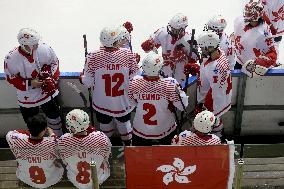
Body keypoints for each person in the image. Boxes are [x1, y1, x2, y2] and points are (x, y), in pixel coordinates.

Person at [80, 26, 139, 146]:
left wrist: (81, 77)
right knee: (125, 126)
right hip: (122, 103)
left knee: (105, 127)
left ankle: (107, 149)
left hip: (102, 103)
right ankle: (127, 148)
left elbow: (88, 83)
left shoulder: (93, 56)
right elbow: (135, 79)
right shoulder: (128, 54)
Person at [4, 28, 63, 136]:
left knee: (55, 117)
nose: (37, 45)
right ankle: (37, 147)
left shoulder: (44, 49)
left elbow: (55, 63)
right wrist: (30, 83)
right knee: (32, 125)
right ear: (26, 45)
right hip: (27, 96)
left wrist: (52, 79)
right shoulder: (11, 58)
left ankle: (58, 140)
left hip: (46, 91)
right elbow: (10, 78)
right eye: (34, 44)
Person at [128, 52, 188, 146]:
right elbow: (183, 105)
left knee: (139, 158)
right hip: (165, 129)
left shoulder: (135, 82)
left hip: (141, 130)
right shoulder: (169, 84)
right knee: (169, 158)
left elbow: (131, 104)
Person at [191, 31, 232, 137]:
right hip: (216, 99)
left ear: (209, 48)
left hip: (215, 103)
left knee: (210, 122)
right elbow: (209, 74)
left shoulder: (217, 67)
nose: (201, 50)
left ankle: (217, 138)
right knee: (215, 120)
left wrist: (204, 107)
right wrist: (198, 69)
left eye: (203, 48)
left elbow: (215, 92)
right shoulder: (218, 53)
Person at [6, 114, 63, 188]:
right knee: (55, 161)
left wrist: (29, 132)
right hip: (50, 179)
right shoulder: (51, 143)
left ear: (29, 128)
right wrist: (51, 133)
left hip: (25, 178)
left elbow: (11, 133)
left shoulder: (16, 139)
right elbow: (55, 140)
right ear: (44, 129)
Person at [58, 109, 111, 188]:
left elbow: (65, 162)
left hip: (76, 180)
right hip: (99, 178)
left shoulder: (63, 140)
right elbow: (107, 156)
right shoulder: (100, 137)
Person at [141, 13, 198, 83]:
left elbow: (193, 62)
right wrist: (147, 45)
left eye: (175, 30)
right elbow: (146, 48)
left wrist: (184, 56)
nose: (172, 31)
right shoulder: (163, 33)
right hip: (162, 74)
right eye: (171, 28)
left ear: (183, 29)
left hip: (180, 78)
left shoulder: (190, 41)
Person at [234, 0, 278, 77]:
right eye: (246, 13)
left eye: (249, 14)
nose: (246, 16)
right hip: (239, 60)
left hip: (251, 68)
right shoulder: (239, 20)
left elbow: (273, 54)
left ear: (256, 16)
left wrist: (258, 63)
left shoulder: (263, 33)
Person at [261, 0, 284, 66]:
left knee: (276, 42)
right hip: (270, 26)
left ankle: (273, 61)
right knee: (270, 44)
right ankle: (271, 61)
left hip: (276, 25)